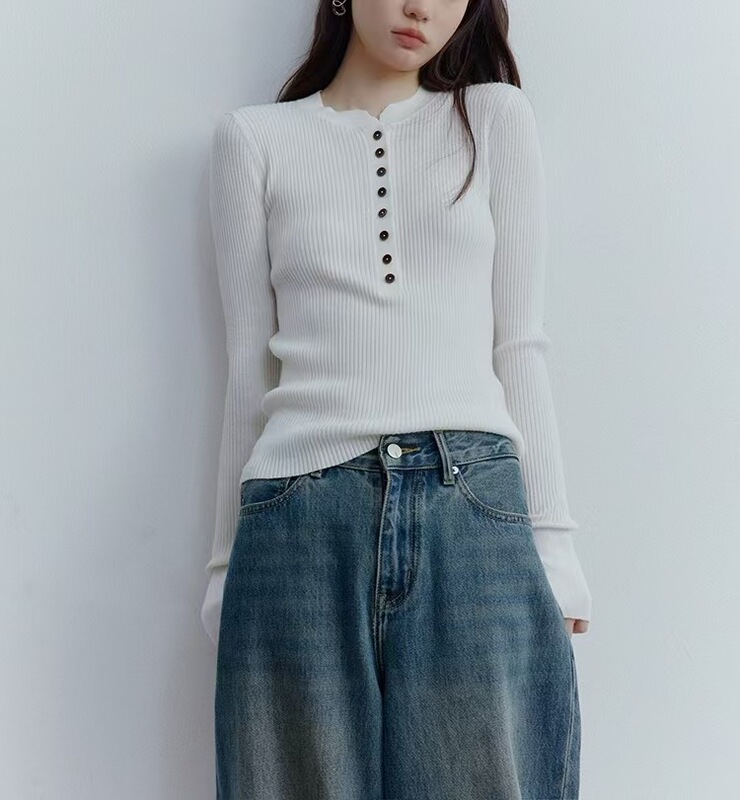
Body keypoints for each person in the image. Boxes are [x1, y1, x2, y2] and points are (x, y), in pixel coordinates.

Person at [202, 0, 592, 796]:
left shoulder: (493, 119)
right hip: (297, 517)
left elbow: (519, 343)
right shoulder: (253, 139)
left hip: (471, 507)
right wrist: (222, 561)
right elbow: (246, 368)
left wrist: (554, 543)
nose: (423, 8)